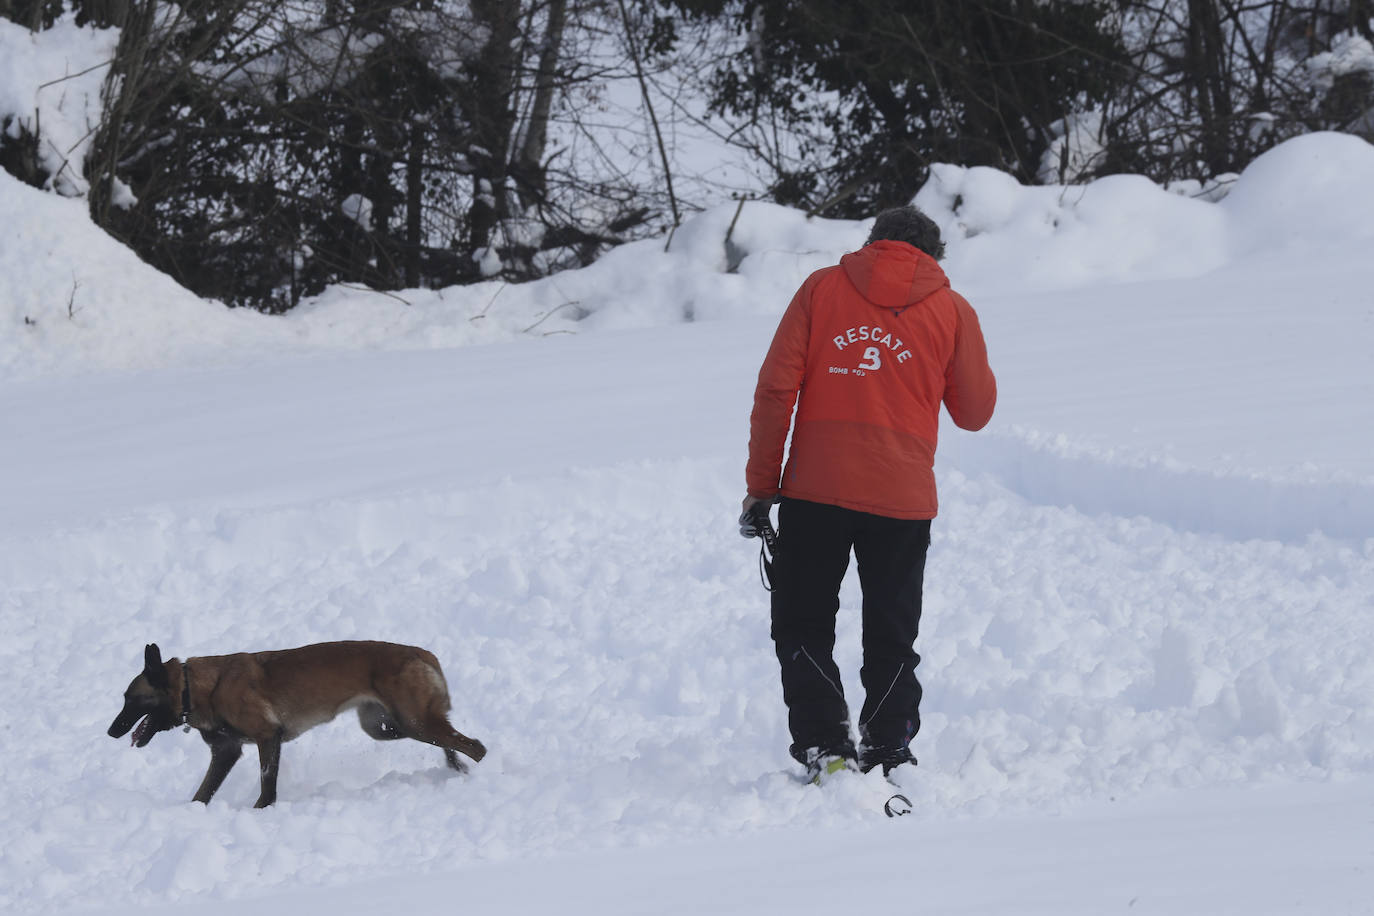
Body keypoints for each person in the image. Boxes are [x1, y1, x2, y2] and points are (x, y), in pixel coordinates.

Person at [740, 205, 997, 783]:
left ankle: (824, 744)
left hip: (815, 491)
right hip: (902, 500)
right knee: (892, 629)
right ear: (933, 257)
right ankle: (889, 747)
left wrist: (762, 486)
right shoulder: (953, 310)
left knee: (803, 621)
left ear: (873, 243)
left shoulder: (822, 289)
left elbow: (776, 389)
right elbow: (975, 413)